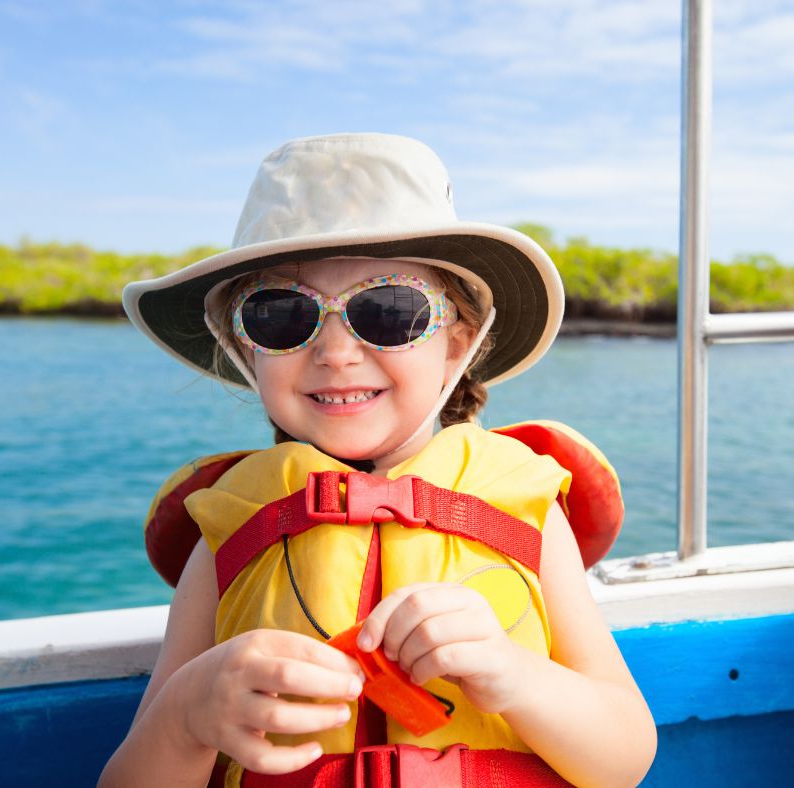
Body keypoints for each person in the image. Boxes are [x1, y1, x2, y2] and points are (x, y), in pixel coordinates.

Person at [99, 133, 657, 787]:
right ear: (245, 347)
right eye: (280, 314)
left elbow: (625, 757)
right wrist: (185, 718)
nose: (336, 352)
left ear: (460, 342)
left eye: (389, 310)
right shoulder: (229, 523)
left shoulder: (525, 505)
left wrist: (513, 675)